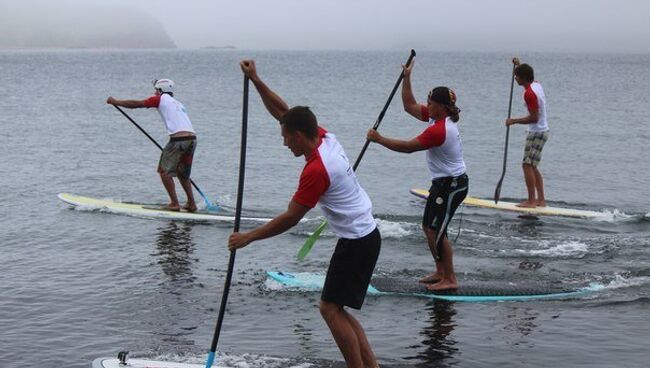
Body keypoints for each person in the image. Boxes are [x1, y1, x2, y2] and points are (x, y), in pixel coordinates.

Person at [229, 60, 381, 368]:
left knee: (329, 309)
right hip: (366, 235)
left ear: (299, 136)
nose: (283, 143)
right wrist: (256, 79)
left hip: (357, 241)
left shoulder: (316, 170)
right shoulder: (325, 138)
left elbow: (291, 218)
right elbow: (284, 111)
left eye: (285, 137)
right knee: (337, 308)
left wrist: (248, 237)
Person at [366, 61, 468, 291]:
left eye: (430, 103)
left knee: (438, 232)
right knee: (428, 228)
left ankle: (450, 278)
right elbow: (409, 105)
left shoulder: (440, 129)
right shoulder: (435, 117)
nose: (427, 106)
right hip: (441, 183)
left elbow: (408, 147)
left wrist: (379, 139)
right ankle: (440, 271)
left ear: (442, 107)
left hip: (453, 184)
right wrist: (406, 78)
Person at [107, 79, 198, 212]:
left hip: (179, 140)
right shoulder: (178, 103)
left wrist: (116, 102)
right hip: (192, 139)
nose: (154, 93)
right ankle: (191, 204)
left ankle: (174, 204)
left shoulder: (161, 99)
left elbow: (137, 104)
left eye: (156, 90)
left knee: (164, 171)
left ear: (161, 90)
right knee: (182, 174)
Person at [505, 57, 549, 208]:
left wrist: (514, 121)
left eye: (516, 76)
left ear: (523, 78)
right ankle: (541, 200)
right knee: (532, 165)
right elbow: (527, 73)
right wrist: (519, 65)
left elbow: (534, 118)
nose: (515, 78)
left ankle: (531, 201)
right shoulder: (536, 84)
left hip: (537, 132)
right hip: (542, 131)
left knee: (526, 165)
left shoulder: (529, 93)